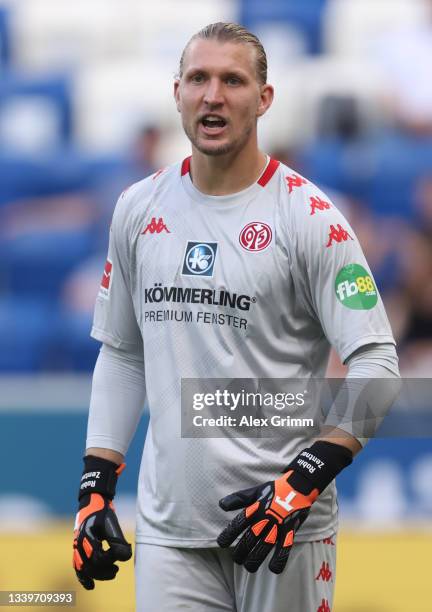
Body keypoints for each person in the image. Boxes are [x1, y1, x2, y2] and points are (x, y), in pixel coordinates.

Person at [72, 22, 400, 612]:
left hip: (283, 531)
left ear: (264, 99)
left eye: (233, 80)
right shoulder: (137, 208)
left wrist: (306, 477)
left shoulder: (312, 220)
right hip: (171, 534)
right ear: (177, 92)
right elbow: (122, 351)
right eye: (198, 79)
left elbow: (377, 362)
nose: (213, 96)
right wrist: (96, 483)